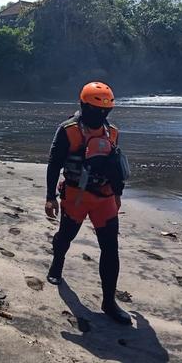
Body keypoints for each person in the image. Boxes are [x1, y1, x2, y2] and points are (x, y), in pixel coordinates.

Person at [45, 81, 131, 324]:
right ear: (83, 105)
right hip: (76, 197)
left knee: (110, 248)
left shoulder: (112, 132)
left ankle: (109, 302)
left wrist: (117, 194)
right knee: (65, 237)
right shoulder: (68, 130)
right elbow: (54, 164)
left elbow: (116, 167)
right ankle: (57, 263)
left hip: (104, 199)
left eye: (105, 111)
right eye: (96, 109)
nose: (100, 114)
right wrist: (50, 197)